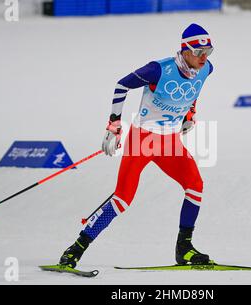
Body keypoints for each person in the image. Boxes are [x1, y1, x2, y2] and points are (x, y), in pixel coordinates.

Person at [58, 23, 214, 268]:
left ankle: (184, 249)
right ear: (185, 51)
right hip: (143, 140)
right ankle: (76, 248)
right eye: (198, 52)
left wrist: (189, 114)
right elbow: (122, 86)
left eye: (208, 52)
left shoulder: (206, 69)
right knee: (122, 199)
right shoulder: (158, 70)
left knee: (195, 186)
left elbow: (193, 91)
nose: (204, 58)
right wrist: (114, 124)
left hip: (170, 142)